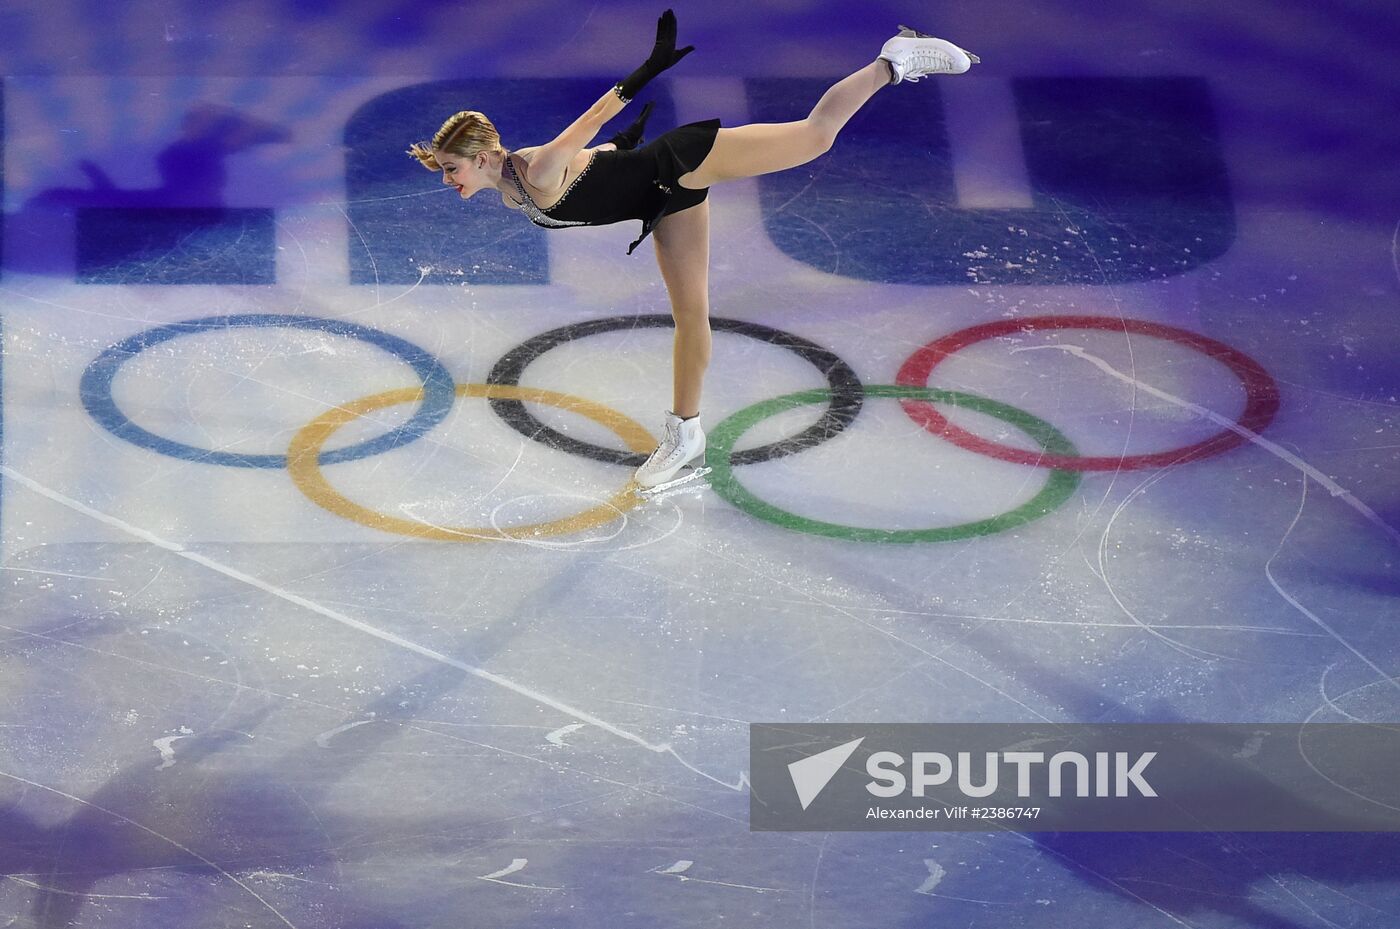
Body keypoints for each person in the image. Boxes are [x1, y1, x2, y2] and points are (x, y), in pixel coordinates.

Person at [408, 12, 978, 490]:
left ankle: (893, 60)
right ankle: (686, 438)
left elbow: (589, 124)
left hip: (682, 162)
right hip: (664, 203)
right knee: (691, 317)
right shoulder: (507, 187)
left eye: (451, 168)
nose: (447, 179)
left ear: (483, 157)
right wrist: (618, 150)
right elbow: (597, 153)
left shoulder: (536, 168)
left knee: (814, 136)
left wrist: (647, 72)